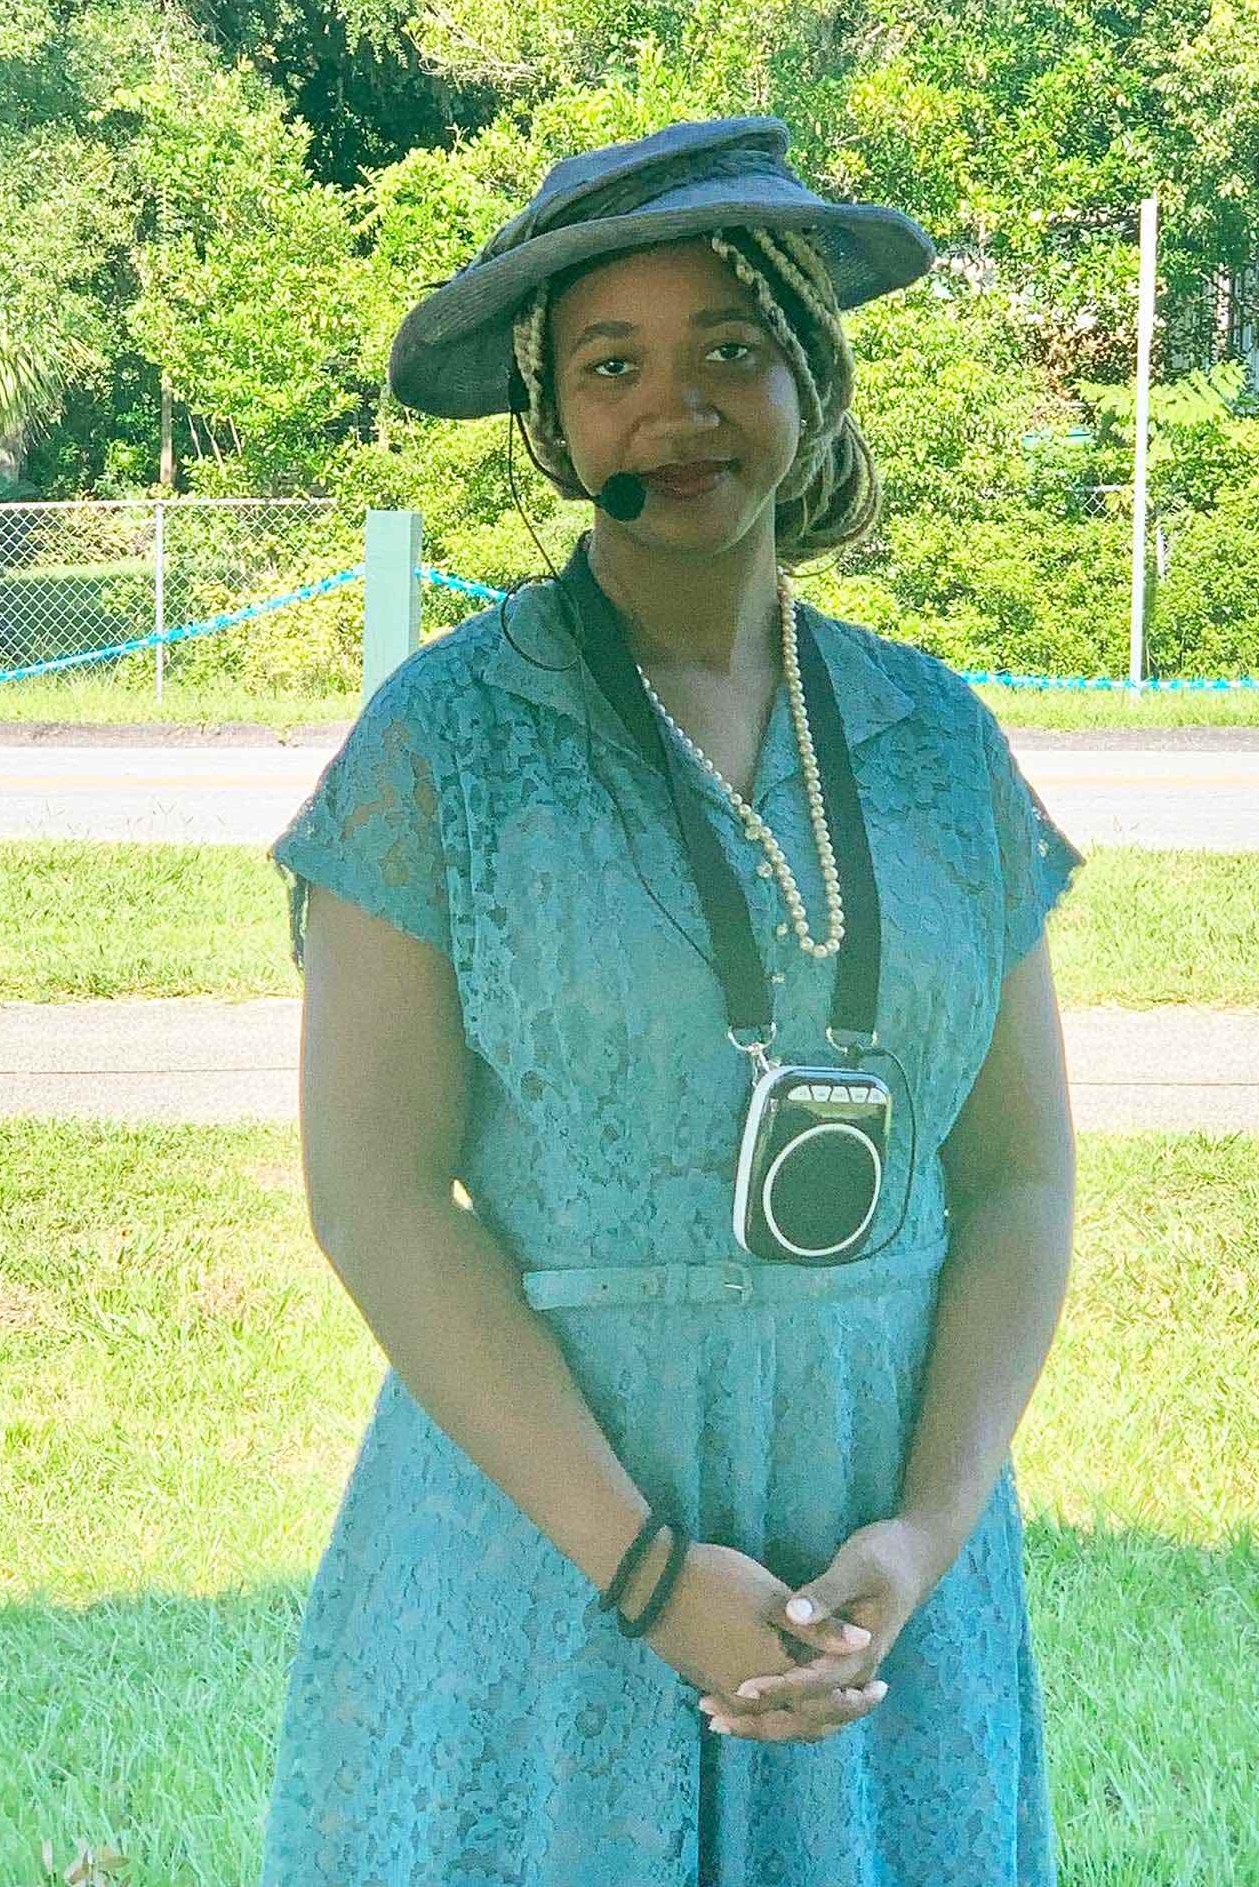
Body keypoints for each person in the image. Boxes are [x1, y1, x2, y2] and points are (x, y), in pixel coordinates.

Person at [258, 116, 1085, 1885]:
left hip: (880, 1572)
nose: (678, 408)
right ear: (554, 425)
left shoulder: (940, 743)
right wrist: (644, 1572)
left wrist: (928, 1534)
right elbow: (379, 1199)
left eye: (733, 346)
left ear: (814, 374)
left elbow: (1016, 1182)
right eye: (612, 365)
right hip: (552, 1553)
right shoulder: (443, 745)